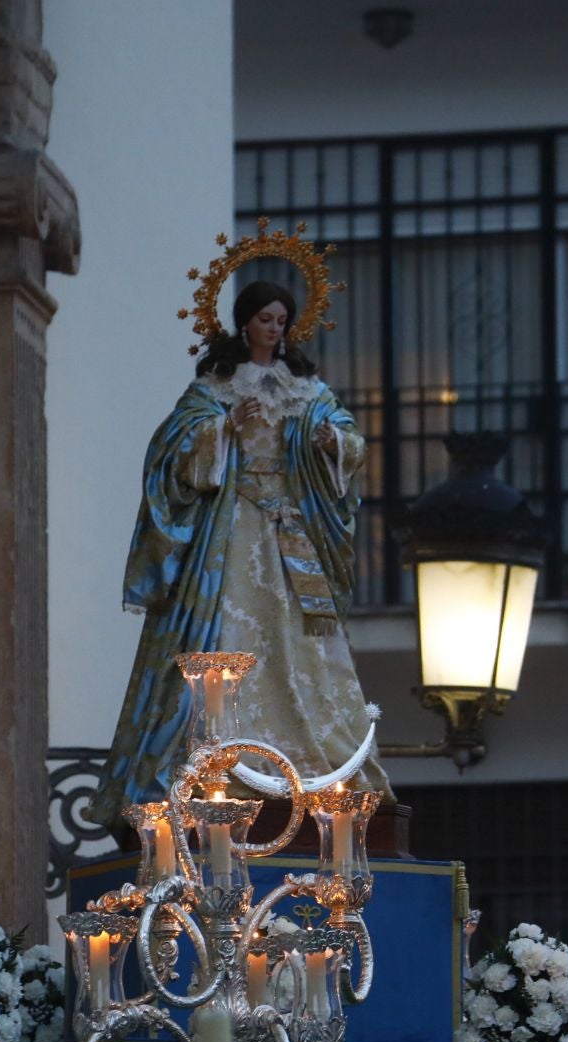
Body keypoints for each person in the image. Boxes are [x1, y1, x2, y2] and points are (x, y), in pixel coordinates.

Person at [88, 279, 392, 834]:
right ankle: (218, 765)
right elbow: (170, 449)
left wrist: (331, 444)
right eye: (265, 319)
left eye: (282, 320)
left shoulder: (307, 388)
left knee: (300, 642)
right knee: (225, 637)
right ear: (245, 323)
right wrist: (223, 429)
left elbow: (351, 439)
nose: (275, 329)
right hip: (230, 534)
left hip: (290, 533)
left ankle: (310, 761)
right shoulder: (215, 388)